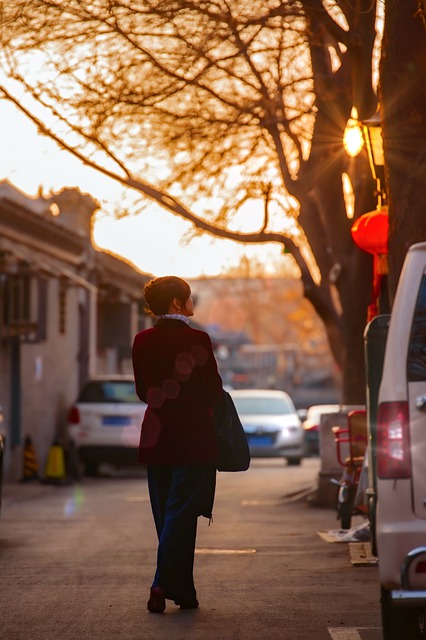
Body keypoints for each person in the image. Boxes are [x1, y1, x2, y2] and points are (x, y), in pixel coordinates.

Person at [132, 275, 223, 614]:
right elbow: (213, 389)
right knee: (180, 517)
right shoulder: (198, 340)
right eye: (188, 297)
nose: (192, 303)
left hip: (157, 439)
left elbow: (144, 391)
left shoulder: (142, 340)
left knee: (167, 518)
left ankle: (183, 591)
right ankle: (160, 585)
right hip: (194, 440)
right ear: (176, 304)